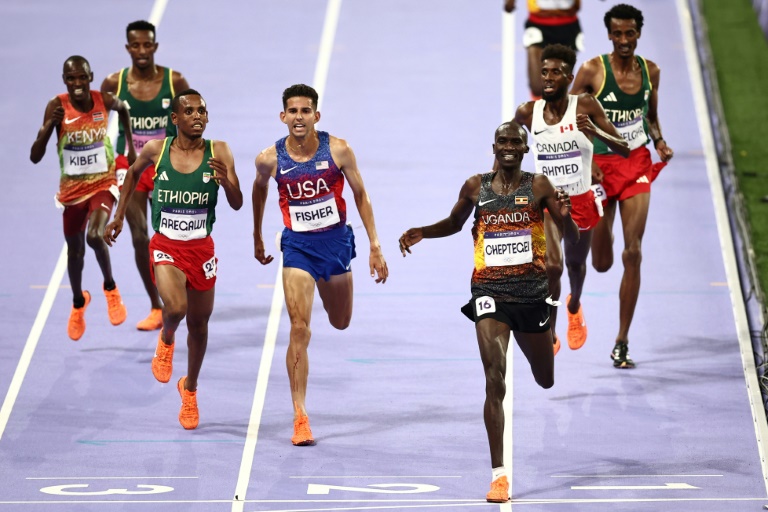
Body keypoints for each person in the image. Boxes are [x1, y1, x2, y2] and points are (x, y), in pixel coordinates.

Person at [398, 121, 578, 503]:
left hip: (531, 294)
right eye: (503, 141)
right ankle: (499, 475)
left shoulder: (539, 186)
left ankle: (549, 337)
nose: (509, 147)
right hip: (489, 291)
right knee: (494, 377)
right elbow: (454, 222)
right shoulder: (475, 186)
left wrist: (566, 216)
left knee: (545, 379)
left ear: (525, 150)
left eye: (516, 142)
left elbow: (572, 238)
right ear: (493, 146)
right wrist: (422, 232)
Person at [252, 83, 389, 446]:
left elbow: (361, 194)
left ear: (316, 115)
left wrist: (375, 245)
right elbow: (259, 189)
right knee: (299, 328)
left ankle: (334, 294)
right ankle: (300, 415)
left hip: (335, 243)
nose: (299, 117)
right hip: (297, 246)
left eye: (305, 111)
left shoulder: (338, 149)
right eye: (292, 111)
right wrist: (257, 235)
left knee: (341, 321)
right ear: (283, 116)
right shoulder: (269, 158)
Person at [104, 89, 243, 429]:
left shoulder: (219, 151)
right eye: (190, 111)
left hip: (201, 248)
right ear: (175, 119)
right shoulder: (157, 149)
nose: (198, 116)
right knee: (177, 309)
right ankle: (166, 338)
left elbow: (237, 203)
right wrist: (119, 214)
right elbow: (133, 175)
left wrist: (227, 183)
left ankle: (190, 389)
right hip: (166, 244)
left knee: (199, 325)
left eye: (203, 111)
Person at [570, 3, 674, 368]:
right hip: (598, 166)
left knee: (634, 253)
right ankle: (604, 231)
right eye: (618, 34)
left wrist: (659, 141)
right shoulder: (592, 71)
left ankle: (622, 341)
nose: (625, 40)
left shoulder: (651, 72)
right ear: (609, 35)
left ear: (638, 34)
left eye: (630, 33)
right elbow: (567, 118)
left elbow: (651, 116)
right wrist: (585, 158)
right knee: (601, 263)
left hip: (636, 164)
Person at [514, 43, 628, 353]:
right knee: (552, 266)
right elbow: (509, 150)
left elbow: (624, 148)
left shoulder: (586, 107)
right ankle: (549, 334)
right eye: (544, 72)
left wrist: (595, 131)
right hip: (549, 205)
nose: (548, 78)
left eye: (556, 73)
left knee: (576, 267)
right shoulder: (528, 112)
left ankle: (574, 306)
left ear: (569, 77)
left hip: (581, 202)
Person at [30, 55, 132, 341]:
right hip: (71, 192)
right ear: (65, 80)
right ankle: (78, 302)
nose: (77, 83)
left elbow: (124, 108)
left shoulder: (103, 100)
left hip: (103, 182)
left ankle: (110, 289)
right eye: (71, 78)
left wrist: (131, 150)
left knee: (95, 235)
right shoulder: (56, 106)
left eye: (82, 77)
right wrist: (49, 127)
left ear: (90, 77)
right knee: (74, 253)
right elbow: (35, 156)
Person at [101, 20, 191, 331]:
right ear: (128, 48)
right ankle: (156, 306)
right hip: (132, 167)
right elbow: (95, 124)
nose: (141, 50)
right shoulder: (113, 83)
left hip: (168, 165)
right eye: (135, 45)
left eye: (146, 45)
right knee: (140, 237)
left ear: (154, 46)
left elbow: (194, 119)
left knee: (175, 234)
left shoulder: (174, 81)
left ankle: (179, 294)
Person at [503, 0, 584, 99]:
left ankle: (554, 112)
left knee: (559, 87)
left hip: (568, 26)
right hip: (538, 24)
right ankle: (538, 112)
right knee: (537, 86)